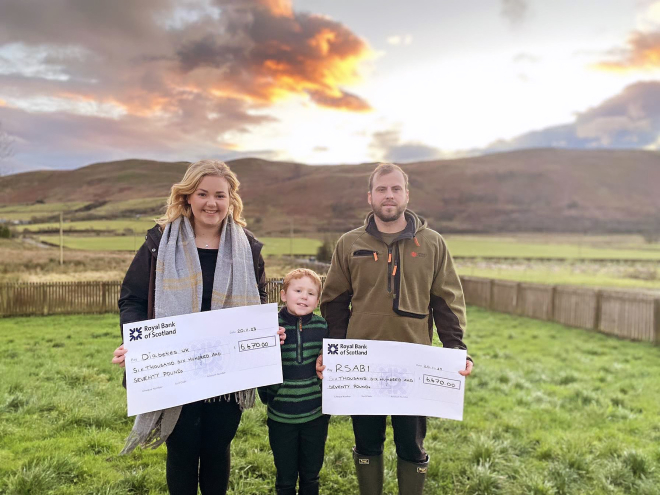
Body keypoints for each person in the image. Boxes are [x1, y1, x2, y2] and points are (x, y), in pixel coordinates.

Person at [110, 159, 285, 495]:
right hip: (177, 370)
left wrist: (266, 331)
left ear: (231, 199)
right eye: (202, 193)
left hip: (227, 373)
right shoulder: (160, 242)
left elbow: (259, 299)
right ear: (187, 196)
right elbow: (131, 299)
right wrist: (136, 343)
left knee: (218, 450)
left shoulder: (247, 246)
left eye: (220, 195)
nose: (211, 202)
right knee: (182, 452)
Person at [318, 163, 473, 495]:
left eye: (396, 189)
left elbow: (447, 301)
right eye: (382, 189)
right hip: (363, 364)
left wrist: (456, 351)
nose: (389, 196)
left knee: (411, 445)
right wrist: (332, 352)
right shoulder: (349, 243)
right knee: (367, 443)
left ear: (406, 194)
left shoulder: (432, 244)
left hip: (414, 363)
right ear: (370, 196)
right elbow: (333, 303)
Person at [258, 268, 329, 495]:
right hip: (281, 417)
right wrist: (270, 396)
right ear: (283, 294)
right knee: (285, 478)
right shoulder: (269, 327)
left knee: (311, 476)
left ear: (317, 300)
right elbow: (259, 366)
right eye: (298, 290)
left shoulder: (323, 327)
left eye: (311, 293)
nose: (304, 297)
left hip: (315, 415)